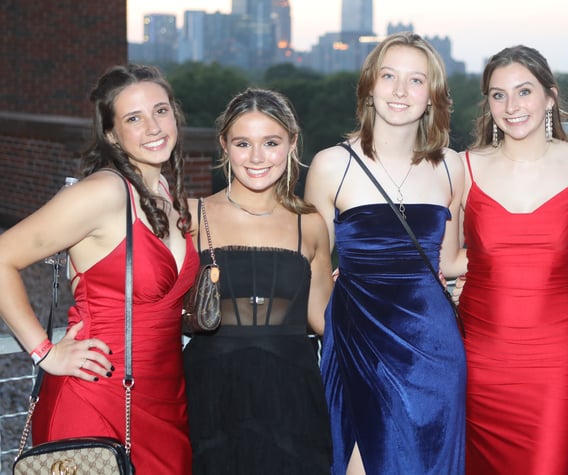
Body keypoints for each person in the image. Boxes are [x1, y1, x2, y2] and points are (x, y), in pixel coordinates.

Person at [0, 64, 198, 473]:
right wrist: (45, 353)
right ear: (111, 134)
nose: (153, 127)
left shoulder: (168, 193)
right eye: (133, 118)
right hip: (96, 397)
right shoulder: (104, 192)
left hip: (166, 400)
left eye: (160, 111)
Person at [304, 31, 466, 475]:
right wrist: (333, 324)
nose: (399, 91)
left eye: (415, 80)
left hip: (434, 347)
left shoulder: (451, 165)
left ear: (432, 96)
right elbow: (312, 266)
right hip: (359, 340)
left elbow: (450, 262)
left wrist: (530, 255)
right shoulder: (331, 164)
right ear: (369, 87)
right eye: (388, 76)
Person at [456, 45, 568, 474]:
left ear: (550, 97)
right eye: (498, 95)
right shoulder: (462, 168)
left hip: (555, 358)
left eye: (524, 91)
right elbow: (439, 253)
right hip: (481, 355)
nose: (511, 106)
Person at [182, 88, 334, 474]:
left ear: (292, 143)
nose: (256, 158)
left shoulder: (310, 224)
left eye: (270, 142)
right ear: (224, 145)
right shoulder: (188, 216)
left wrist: (375, 288)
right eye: (242, 143)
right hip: (208, 399)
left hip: (292, 403)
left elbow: (324, 321)